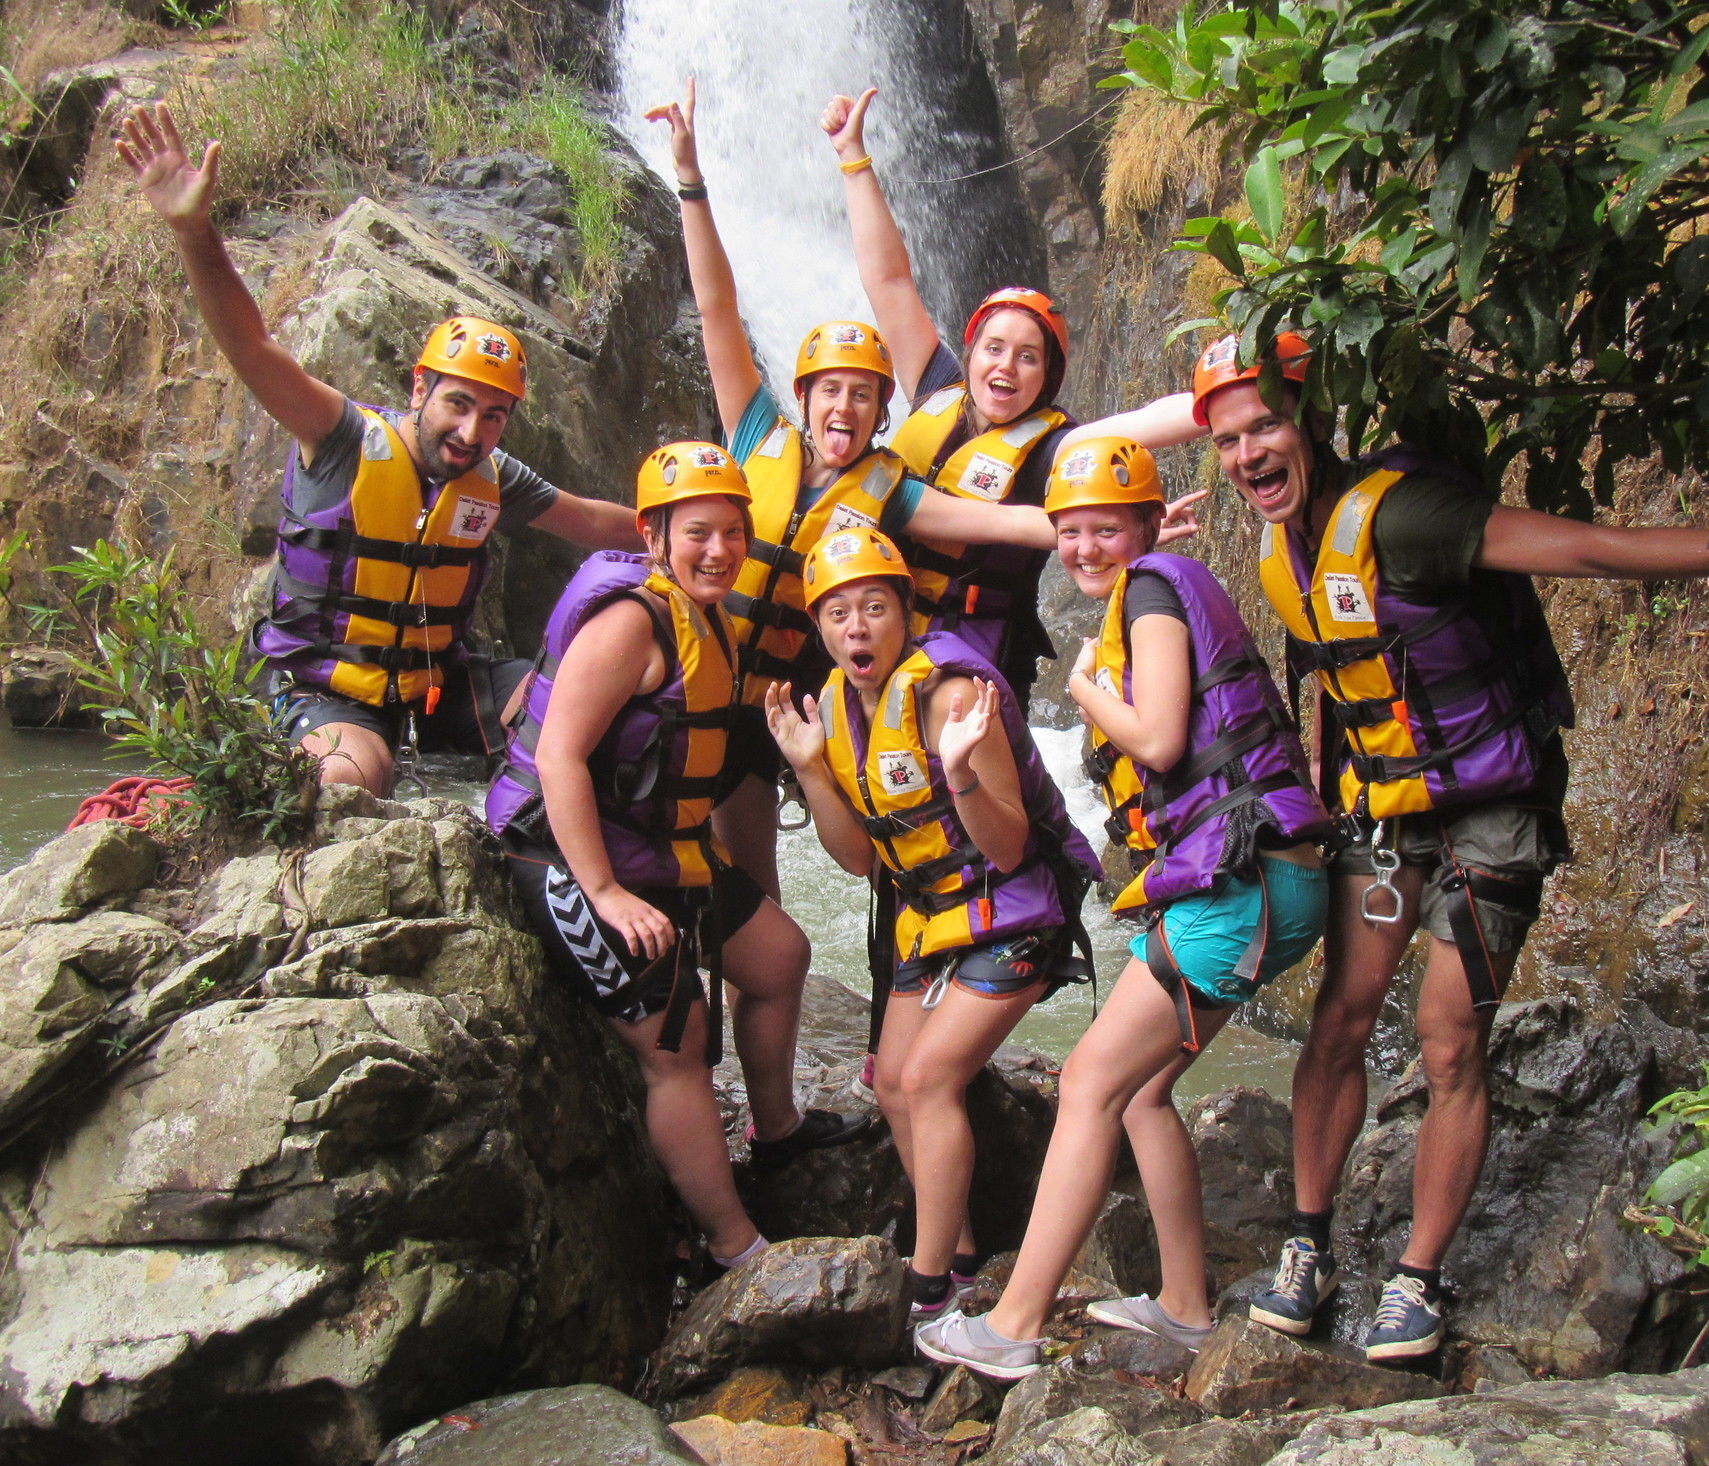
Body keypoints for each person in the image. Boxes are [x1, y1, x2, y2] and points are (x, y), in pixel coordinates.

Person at [1160, 330, 1709, 1361]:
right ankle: (1308, 1244)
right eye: (1226, 440)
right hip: (1388, 809)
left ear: (1311, 418)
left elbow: (1585, 548)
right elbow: (1347, 680)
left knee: (1446, 1037)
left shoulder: (1407, 516)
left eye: (1265, 424)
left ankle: (1417, 1279)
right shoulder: (1277, 544)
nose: (1248, 452)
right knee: (1339, 1018)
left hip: (1491, 805)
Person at [913, 437, 1334, 1380]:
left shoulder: (1148, 590)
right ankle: (1184, 1305)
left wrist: (1083, 690)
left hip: (1244, 885)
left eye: (1107, 527)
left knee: (1088, 1084)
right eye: (1068, 532)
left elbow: (1160, 732)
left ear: (1148, 523)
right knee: (1141, 1092)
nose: (1086, 547)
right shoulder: (1155, 586)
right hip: (1270, 878)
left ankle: (1012, 1325)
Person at [647, 80, 1087, 913]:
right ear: (802, 397)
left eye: (861, 395)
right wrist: (690, 177)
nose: (842, 408)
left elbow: (1001, 522)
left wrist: (1110, 529)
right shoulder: (756, 438)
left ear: (885, 411)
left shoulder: (889, 491)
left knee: (751, 908)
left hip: (768, 719)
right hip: (685, 684)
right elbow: (716, 308)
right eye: (828, 392)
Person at [117, 103, 643, 797]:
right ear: (419, 386)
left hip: (440, 687)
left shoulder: (491, 477)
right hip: (325, 689)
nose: (471, 431)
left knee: (593, 713)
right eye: (458, 404)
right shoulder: (340, 437)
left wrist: (718, 540)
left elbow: (597, 523)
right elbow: (250, 345)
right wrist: (193, 231)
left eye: (493, 416)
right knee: (353, 776)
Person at [485, 442, 862, 1277]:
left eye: (732, 532)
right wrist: (607, 893)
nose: (720, 550)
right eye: (698, 532)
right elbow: (558, 759)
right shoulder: (631, 619)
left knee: (780, 957)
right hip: (563, 850)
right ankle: (737, 1247)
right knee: (676, 1047)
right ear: (652, 535)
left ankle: (777, 1134)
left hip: (655, 842)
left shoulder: (708, 619)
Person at [767, 528, 1100, 1318]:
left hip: (1017, 912)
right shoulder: (843, 711)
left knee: (927, 1078)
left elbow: (1010, 843)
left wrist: (961, 775)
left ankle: (925, 1286)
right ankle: (959, 1253)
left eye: (875, 607)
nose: (857, 627)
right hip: (931, 922)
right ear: (819, 627)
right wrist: (812, 768)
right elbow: (858, 861)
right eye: (838, 612)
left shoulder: (949, 695)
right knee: (892, 1087)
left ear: (906, 614)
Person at [820, 89, 1204, 704]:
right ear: (970, 355)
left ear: (1046, 377)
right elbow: (888, 280)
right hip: (874, 635)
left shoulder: (1053, 446)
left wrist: (1230, 394)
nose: (1005, 367)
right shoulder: (935, 387)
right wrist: (853, 159)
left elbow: (1144, 422)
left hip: (977, 654)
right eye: (993, 348)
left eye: (1028, 357)